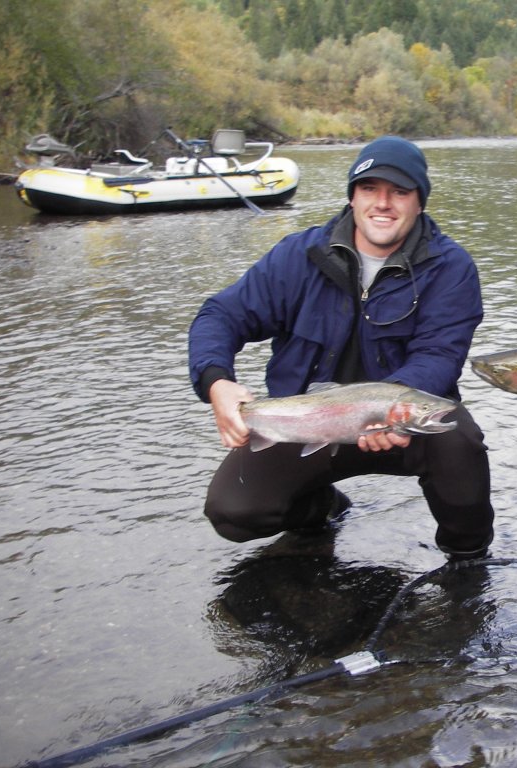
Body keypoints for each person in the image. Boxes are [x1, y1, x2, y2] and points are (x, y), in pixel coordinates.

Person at [188, 136, 494, 560]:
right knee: (233, 511)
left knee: (459, 442)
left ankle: (467, 560)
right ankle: (320, 512)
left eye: (399, 192)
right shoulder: (298, 257)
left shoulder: (450, 268)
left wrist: (391, 415)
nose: (383, 203)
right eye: (370, 189)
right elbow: (219, 316)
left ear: (419, 203)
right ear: (352, 197)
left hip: (404, 426)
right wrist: (216, 382)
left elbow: (439, 356)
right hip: (306, 424)